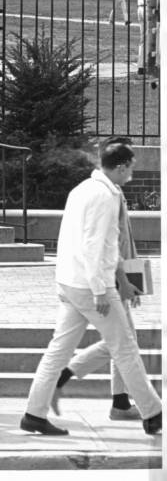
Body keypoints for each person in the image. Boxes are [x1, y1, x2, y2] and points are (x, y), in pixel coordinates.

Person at [20, 140, 161, 437]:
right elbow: (95, 246)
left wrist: (118, 278)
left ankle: (34, 413)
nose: (132, 173)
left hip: (72, 282)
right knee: (125, 348)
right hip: (92, 284)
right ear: (120, 166)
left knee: (57, 352)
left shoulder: (83, 189)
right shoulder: (105, 196)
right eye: (131, 167)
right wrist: (102, 289)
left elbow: (84, 241)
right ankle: (154, 413)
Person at [50, 138, 148, 423]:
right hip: (109, 277)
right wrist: (127, 281)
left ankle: (119, 401)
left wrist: (135, 279)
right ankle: (68, 374)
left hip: (116, 274)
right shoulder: (106, 195)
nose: (131, 170)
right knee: (124, 341)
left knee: (124, 340)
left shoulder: (113, 191)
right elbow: (110, 245)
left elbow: (123, 240)